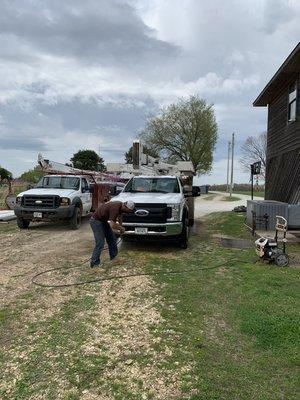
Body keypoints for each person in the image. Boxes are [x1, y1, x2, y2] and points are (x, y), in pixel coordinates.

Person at [90, 200, 135, 268]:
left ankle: (114, 258)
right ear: (125, 207)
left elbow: (120, 217)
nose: (128, 212)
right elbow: (112, 225)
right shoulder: (115, 208)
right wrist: (121, 228)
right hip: (96, 221)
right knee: (100, 243)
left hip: (103, 221)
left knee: (112, 239)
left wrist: (120, 226)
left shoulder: (120, 206)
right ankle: (94, 263)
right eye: (128, 210)